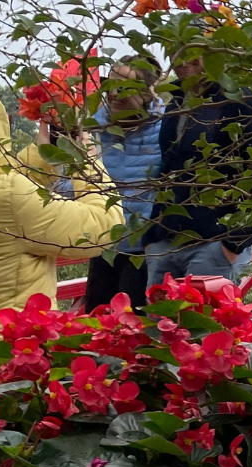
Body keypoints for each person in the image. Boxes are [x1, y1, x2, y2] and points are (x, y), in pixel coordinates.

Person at [0, 92, 123, 334]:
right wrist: (87, 163)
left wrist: (42, 157)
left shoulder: (7, 196)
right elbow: (103, 228)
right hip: (13, 352)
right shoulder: (9, 197)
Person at [144, 49, 252, 287]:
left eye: (192, 50)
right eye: (175, 50)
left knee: (207, 324)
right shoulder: (176, 103)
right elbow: (167, 172)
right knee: (155, 324)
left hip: (214, 243)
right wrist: (152, 236)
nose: (181, 59)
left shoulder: (239, 100)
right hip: (165, 242)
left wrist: (234, 243)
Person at [83, 55, 164, 311]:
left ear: (145, 94)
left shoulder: (167, 129)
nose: (114, 94)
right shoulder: (92, 129)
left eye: (124, 88)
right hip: (103, 247)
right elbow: (70, 185)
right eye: (110, 85)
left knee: (137, 334)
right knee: (95, 330)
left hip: (145, 252)